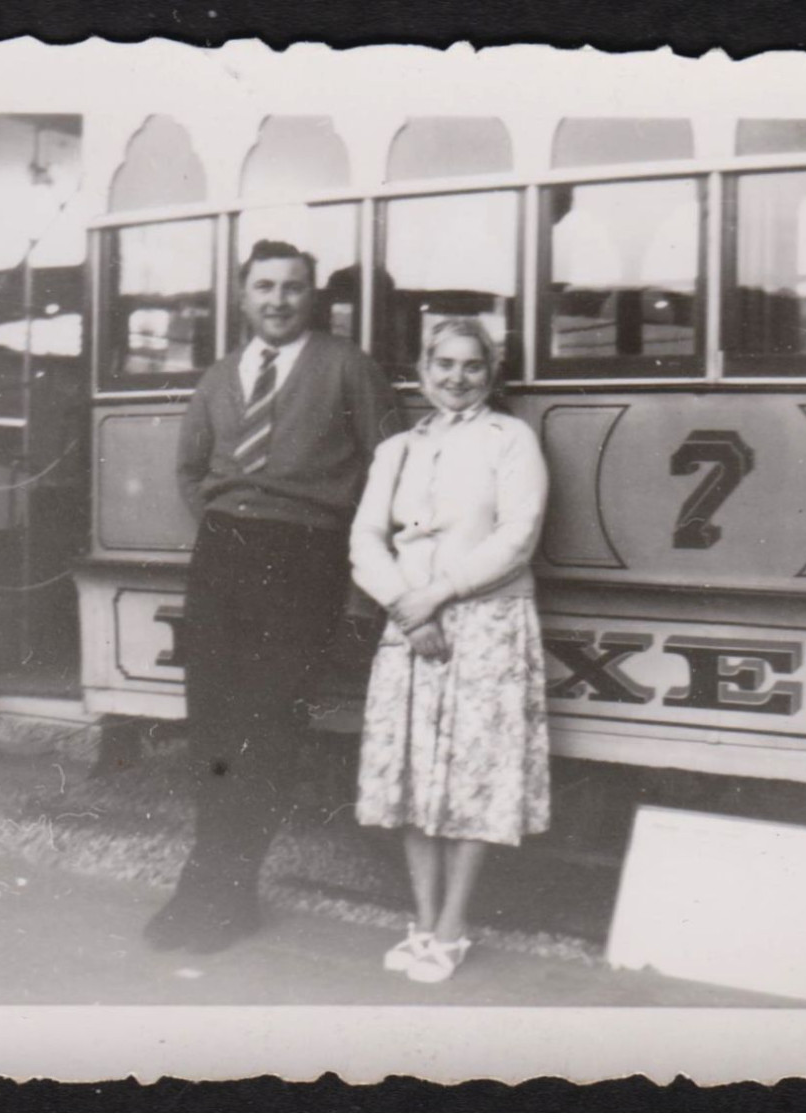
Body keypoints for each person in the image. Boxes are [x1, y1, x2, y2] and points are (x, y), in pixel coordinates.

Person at [149, 239, 402, 954]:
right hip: (224, 556)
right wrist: (232, 524)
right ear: (243, 293)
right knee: (211, 725)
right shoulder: (220, 376)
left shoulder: (348, 369)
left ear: (311, 295)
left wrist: (353, 580)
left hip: (305, 558)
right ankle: (205, 879)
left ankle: (229, 889)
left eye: (293, 286)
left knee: (264, 728)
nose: (278, 299)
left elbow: (390, 471)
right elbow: (191, 470)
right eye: (265, 285)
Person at [349, 317, 552, 983]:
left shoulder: (510, 438)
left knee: (473, 777)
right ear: (421, 368)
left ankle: (451, 927)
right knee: (413, 776)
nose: (456, 378)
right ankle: (422, 918)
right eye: (443, 364)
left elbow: (517, 535)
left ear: (490, 371)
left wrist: (433, 595)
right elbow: (365, 541)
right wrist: (407, 611)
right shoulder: (396, 450)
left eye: (471, 365)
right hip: (410, 625)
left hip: (485, 620)